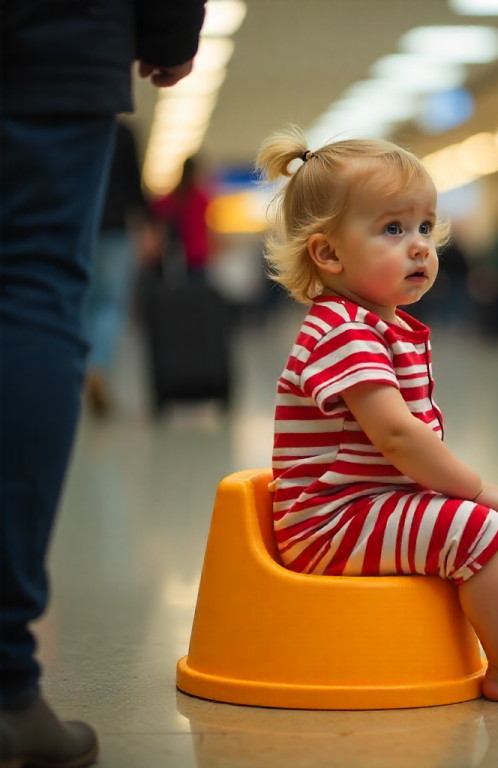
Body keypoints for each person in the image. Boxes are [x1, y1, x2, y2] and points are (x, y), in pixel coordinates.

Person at [260, 127, 498, 705]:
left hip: (363, 505)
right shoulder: (344, 330)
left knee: (496, 529)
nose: (420, 245)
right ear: (328, 252)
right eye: (393, 229)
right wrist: (474, 487)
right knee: (480, 529)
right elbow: (396, 435)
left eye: (425, 227)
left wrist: (471, 493)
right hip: (328, 522)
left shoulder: (378, 324)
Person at [0, 2, 206, 766]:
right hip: (56, 33)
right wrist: (170, 30)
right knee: (39, 289)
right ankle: (5, 685)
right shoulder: (127, 143)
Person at [82, 121, 152, 416]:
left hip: (80, 228)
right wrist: (149, 226)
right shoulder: (123, 133)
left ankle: (80, 371)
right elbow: (135, 187)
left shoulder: (78, 126)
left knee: (81, 304)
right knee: (110, 307)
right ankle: (99, 368)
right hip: (115, 230)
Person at [150, 156, 214, 282]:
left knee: (178, 291)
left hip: (177, 254)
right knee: (196, 291)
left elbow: (154, 208)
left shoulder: (175, 196)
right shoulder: (200, 198)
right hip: (195, 254)